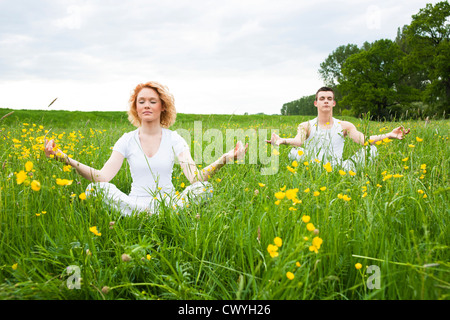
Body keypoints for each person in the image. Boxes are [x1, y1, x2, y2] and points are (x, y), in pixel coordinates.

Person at [44, 81, 248, 216]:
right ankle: (144, 215)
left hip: (170, 205)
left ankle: (161, 215)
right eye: (141, 101)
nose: (146, 105)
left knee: (203, 188)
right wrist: (64, 158)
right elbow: (101, 177)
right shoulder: (126, 140)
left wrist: (225, 158)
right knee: (96, 189)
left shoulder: (175, 139)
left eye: (153, 101)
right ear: (136, 108)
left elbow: (195, 178)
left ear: (163, 107)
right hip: (134, 204)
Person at [266, 87, 410, 171]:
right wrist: (282, 140)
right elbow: (298, 141)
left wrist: (389, 135)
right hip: (313, 164)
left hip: (340, 168)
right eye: (322, 98)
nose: (326, 101)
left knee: (372, 150)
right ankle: (316, 171)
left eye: (329, 98)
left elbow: (365, 141)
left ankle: (344, 172)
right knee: (294, 152)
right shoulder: (306, 125)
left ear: (334, 103)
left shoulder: (344, 126)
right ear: (316, 103)